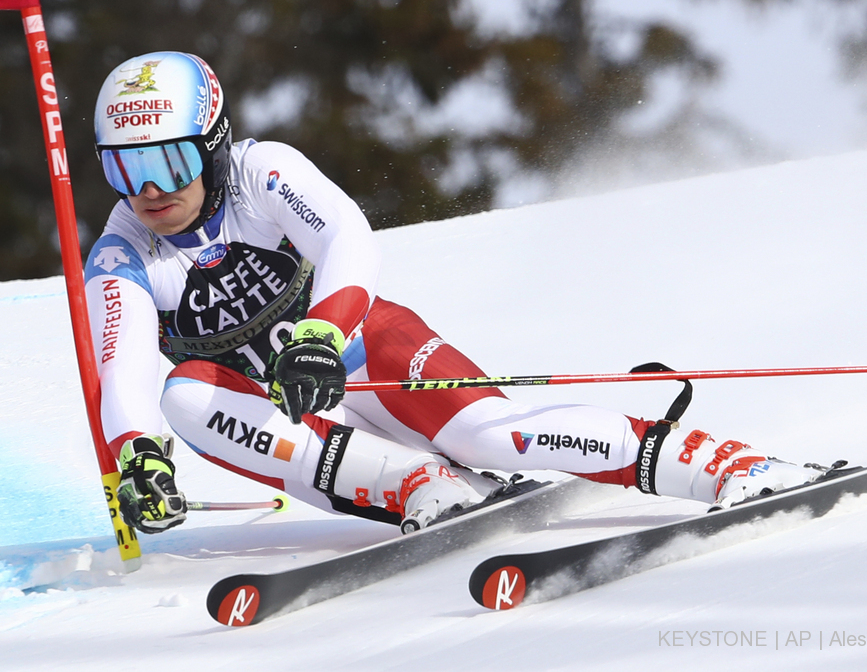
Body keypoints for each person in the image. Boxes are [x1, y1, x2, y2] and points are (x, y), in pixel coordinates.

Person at [86, 52, 825, 536]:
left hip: (363, 351)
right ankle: (422, 485)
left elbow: (347, 236)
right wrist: (138, 455)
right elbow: (121, 377)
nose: (147, 189)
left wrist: (320, 331)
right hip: (299, 420)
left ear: (211, 146)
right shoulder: (122, 255)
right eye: (124, 170)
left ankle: (724, 463)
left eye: (168, 160)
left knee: (491, 436)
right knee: (185, 397)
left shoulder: (262, 173)